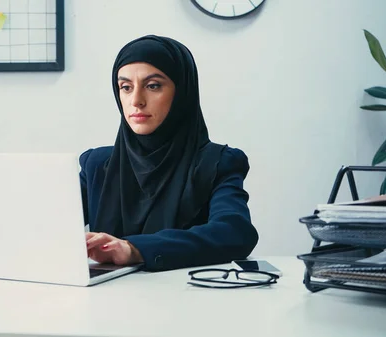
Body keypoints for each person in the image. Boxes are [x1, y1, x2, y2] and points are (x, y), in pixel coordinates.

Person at [79, 35, 259, 272]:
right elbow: (44, 227)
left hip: (187, 299)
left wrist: (134, 249)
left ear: (182, 91)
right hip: (103, 300)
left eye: (153, 86)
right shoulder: (97, 165)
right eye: (125, 87)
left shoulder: (217, 163)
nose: (136, 101)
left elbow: (235, 233)